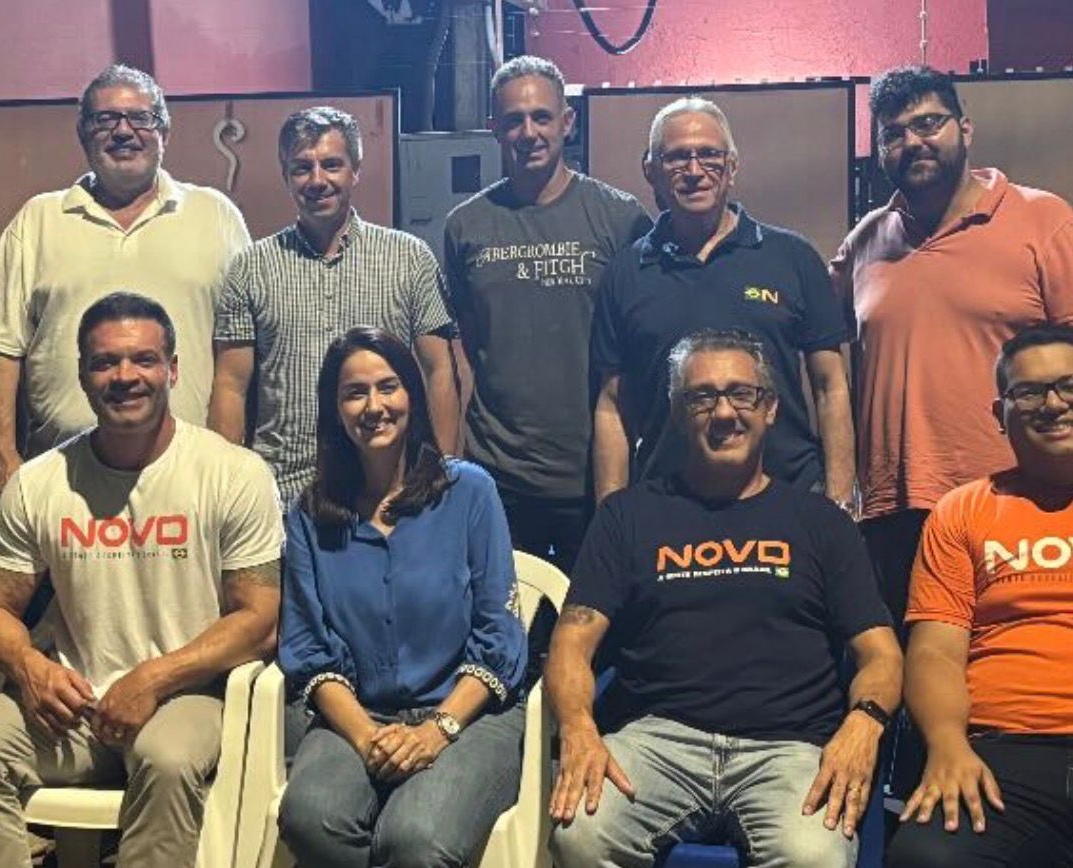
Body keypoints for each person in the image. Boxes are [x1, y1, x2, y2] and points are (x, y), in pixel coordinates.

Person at [0, 292, 282, 868]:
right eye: (106, 362)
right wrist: (30, 666)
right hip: (75, 702)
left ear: (173, 369)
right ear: (83, 375)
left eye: (143, 359)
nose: (126, 376)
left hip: (188, 695)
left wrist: (154, 678)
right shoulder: (42, 481)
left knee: (169, 757)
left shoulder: (231, 472)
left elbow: (259, 620)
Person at [547, 330, 902, 868]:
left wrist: (864, 725)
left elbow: (882, 653)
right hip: (659, 739)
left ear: (770, 408)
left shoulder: (819, 523)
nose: (724, 412)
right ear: (677, 413)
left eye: (742, 394)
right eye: (702, 397)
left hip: (789, 745)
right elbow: (571, 642)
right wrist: (579, 728)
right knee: (581, 840)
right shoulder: (629, 515)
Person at [276, 326, 527, 868]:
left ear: (412, 396)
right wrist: (366, 738)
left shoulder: (469, 492)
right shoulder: (309, 515)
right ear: (334, 410)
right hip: (360, 713)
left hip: (471, 708)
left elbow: (500, 635)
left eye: (388, 387)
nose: (374, 405)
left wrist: (438, 728)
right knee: (312, 817)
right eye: (354, 392)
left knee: (414, 845)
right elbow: (307, 648)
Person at [830, 65, 1073, 629]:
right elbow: (824, 359)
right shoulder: (865, 241)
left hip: (1015, 500)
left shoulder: (1044, 221)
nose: (913, 141)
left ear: (965, 129)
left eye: (928, 123)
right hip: (892, 512)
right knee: (912, 671)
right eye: (894, 133)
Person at [886, 323, 1073, 868]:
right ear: (1000, 413)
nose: (1052, 404)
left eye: (1068, 386)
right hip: (1002, 754)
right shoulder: (964, 512)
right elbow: (935, 650)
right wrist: (946, 745)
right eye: (1029, 392)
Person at [0, 64, 249, 492]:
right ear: (83, 134)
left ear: (165, 132)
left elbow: (240, 345)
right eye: (105, 120)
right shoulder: (38, 219)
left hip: (191, 477)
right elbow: (1, 343)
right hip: (62, 478)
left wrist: (227, 458)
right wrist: (1, 452)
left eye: (140, 118)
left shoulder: (216, 215)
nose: (123, 131)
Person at [591, 96, 855, 511]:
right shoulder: (624, 274)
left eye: (709, 155)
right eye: (677, 157)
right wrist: (610, 517)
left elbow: (831, 386)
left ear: (732, 167)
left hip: (789, 498)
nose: (695, 171)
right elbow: (612, 407)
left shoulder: (794, 258)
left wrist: (840, 501)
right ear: (651, 171)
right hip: (669, 505)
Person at [444, 56, 650, 570]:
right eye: (514, 120)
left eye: (541, 116)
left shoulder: (621, 219)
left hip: (597, 474)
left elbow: (643, 348)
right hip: (499, 476)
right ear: (494, 128)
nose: (529, 132)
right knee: (507, 616)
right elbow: (464, 352)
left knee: (598, 617)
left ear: (567, 122)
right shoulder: (465, 226)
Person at [210, 107, 459, 507]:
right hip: (282, 493)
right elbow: (230, 386)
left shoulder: (409, 258)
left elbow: (440, 371)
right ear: (285, 175)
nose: (317, 180)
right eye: (302, 168)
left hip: (387, 493)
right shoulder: (250, 268)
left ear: (355, 170)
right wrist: (224, 491)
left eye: (331, 165)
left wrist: (441, 478)